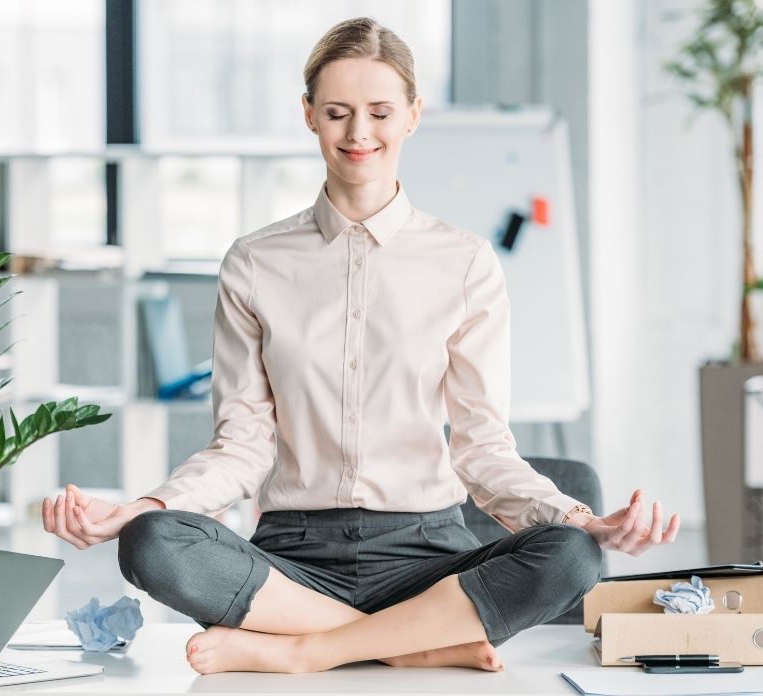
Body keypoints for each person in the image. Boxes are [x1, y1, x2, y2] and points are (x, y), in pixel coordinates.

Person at [43, 16, 679, 675]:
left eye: (378, 112)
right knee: (152, 544)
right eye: (338, 112)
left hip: (427, 556)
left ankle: (308, 653)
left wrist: (581, 518)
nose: (358, 134)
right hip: (290, 563)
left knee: (573, 556)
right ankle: (412, 646)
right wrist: (139, 508)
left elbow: (481, 447)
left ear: (411, 115)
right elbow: (239, 448)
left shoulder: (464, 262)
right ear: (309, 115)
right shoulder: (254, 263)